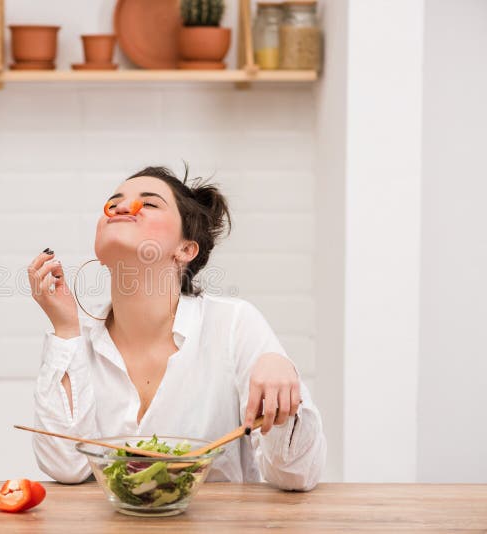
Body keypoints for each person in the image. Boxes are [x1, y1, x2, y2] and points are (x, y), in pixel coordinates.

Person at [28, 166, 325, 490]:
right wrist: (65, 330)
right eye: (114, 204)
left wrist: (281, 377)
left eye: (150, 203)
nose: (123, 208)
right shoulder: (77, 339)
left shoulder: (233, 324)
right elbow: (66, 466)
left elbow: (297, 475)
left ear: (186, 249)